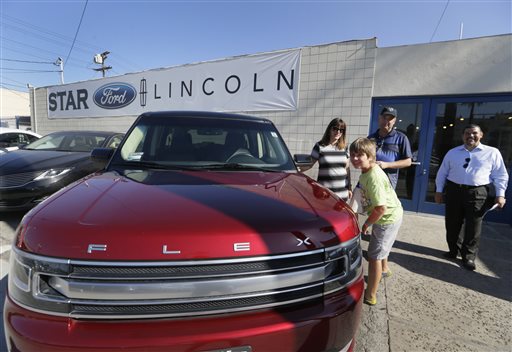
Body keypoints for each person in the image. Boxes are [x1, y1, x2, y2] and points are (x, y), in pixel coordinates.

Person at [435, 124, 508, 271]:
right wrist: (438, 190)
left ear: (481, 135)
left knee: (473, 226)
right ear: (463, 136)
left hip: (477, 192)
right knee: (452, 222)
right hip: (454, 190)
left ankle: (468, 256)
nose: (471, 136)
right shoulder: (453, 152)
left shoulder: (492, 152)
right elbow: (442, 172)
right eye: (467, 133)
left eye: (474, 133)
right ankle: (453, 250)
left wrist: (500, 195)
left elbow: (500, 175)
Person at [349, 137, 403, 306]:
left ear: (370, 156)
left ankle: (370, 294)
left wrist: (366, 224)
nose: (355, 158)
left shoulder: (374, 177)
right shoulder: (366, 171)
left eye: (360, 155)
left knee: (373, 256)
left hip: (387, 218)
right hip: (387, 215)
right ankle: (385, 269)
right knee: (380, 250)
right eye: (352, 154)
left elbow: (381, 208)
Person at [302, 118, 352, 201]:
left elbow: (347, 169)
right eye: (335, 129)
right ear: (329, 129)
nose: (338, 132)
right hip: (325, 193)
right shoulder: (319, 146)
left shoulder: (345, 147)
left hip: (342, 193)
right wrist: (293, 169)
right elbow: (309, 165)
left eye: (341, 130)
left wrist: (349, 188)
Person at [368, 106, 412, 189]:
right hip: (370, 180)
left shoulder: (401, 138)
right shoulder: (370, 138)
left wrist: (387, 164)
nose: (386, 121)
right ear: (379, 118)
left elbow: (408, 162)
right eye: (384, 117)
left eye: (390, 119)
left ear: (394, 121)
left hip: (388, 184)